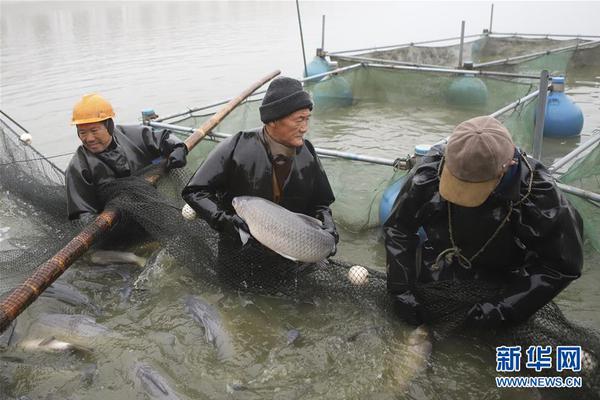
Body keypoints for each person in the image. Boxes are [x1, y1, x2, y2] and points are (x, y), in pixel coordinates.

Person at [384, 115, 583, 328]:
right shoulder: (431, 169)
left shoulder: (540, 196)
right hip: (441, 263)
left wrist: (501, 309)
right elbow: (399, 227)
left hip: (503, 280)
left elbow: (560, 265)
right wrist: (401, 289)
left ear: (507, 167)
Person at [182, 76, 338, 274]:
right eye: (299, 120)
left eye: (307, 119)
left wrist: (328, 225)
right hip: (240, 259)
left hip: (295, 261)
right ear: (273, 120)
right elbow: (195, 191)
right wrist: (228, 222)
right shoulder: (236, 146)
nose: (305, 127)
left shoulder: (307, 151)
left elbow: (322, 203)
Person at [66, 93, 188, 220]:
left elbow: (164, 137)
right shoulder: (77, 168)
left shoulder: (133, 135)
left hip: (152, 209)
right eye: (82, 132)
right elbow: (80, 215)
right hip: (116, 227)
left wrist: (179, 147)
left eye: (94, 130)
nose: (89, 138)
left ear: (109, 126)